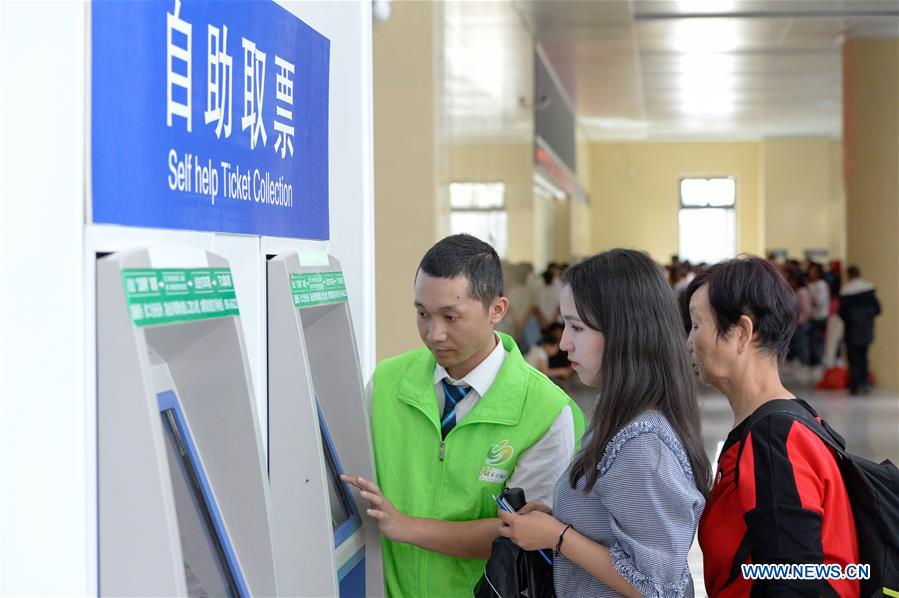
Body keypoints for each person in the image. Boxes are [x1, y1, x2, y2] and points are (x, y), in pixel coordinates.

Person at [343, 234, 586, 597]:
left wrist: (406, 527)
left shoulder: (546, 411)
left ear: (497, 310)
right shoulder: (387, 384)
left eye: (450, 317)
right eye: (422, 313)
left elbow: (523, 537)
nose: (433, 333)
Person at [497, 249, 710, 597]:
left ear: (624, 331)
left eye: (577, 327)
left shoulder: (642, 443)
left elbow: (658, 588)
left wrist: (557, 537)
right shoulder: (619, 414)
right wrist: (557, 521)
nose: (564, 342)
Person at [685, 257, 859, 596]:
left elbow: (796, 585)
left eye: (696, 324)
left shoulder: (773, 439)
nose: (689, 341)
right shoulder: (785, 421)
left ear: (742, 332)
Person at [839, 265, 881, 395]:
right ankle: (865, 384)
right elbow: (878, 310)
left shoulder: (846, 291)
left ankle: (855, 386)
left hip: (852, 330)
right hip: (867, 329)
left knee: (853, 359)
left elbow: (842, 313)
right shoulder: (869, 290)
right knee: (864, 357)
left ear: (849, 275)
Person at [806, 262, 830, 367]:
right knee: (813, 340)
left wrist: (810, 300)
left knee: (817, 340)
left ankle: (818, 360)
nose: (812, 273)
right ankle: (815, 359)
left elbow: (819, 301)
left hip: (820, 316)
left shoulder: (821, 285)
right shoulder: (811, 285)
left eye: (814, 271)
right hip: (813, 316)